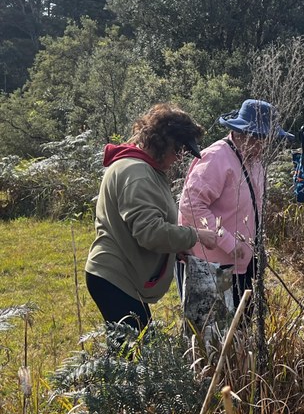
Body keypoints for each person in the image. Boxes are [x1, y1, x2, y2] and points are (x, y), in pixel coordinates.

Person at [85, 103, 218, 331]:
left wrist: (176, 249)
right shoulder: (136, 173)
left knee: (132, 352)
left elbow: (150, 222)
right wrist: (195, 235)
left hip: (122, 276)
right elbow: (150, 233)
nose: (179, 158)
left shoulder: (145, 169)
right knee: (133, 356)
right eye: (178, 150)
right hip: (115, 276)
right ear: (162, 141)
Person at [178, 99, 293, 311]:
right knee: (215, 328)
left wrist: (256, 248)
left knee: (241, 324)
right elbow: (191, 205)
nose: (266, 145)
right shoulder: (216, 157)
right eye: (263, 139)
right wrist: (229, 242)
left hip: (242, 261)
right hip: (214, 264)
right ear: (245, 134)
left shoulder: (254, 160)